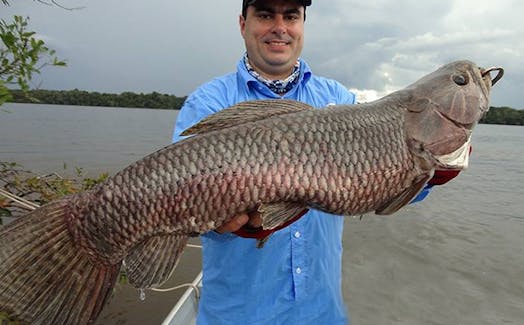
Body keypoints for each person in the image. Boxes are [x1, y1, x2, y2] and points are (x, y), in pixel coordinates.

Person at [172, 0, 457, 323]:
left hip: (323, 314)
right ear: (242, 24)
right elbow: (180, 207)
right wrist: (225, 225)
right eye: (265, 15)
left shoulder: (340, 100)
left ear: (302, 25)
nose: (279, 26)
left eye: (291, 16)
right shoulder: (208, 103)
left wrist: (430, 170)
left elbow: (383, 188)